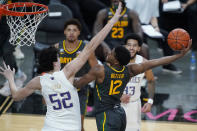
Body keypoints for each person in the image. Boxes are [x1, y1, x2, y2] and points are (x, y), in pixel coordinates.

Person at [0, 3, 122, 131]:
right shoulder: (67, 73)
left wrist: (11, 78)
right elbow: (91, 45)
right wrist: (112, 21)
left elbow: (16, 96)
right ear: (55, 63)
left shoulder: (38, 81)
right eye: (58, 58)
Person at [74, 40, 192, 130]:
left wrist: (63, 75)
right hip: (120, 113)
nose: (108, 53)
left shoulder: (100, 70)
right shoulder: (130, 70)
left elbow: (79, 83)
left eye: (111, 53)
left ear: (115, 61)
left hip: (106, 114)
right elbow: (157, 62)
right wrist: (179, 56)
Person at [54, 18, 98, 131]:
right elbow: (50, 69)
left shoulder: (86, 48)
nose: (71, 32)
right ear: (64, 32)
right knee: (60, 123)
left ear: (79, 32)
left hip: (80, 89)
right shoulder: (57, 47)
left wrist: (85, 80)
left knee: (79, 125)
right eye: (69, 30)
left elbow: (96, 69)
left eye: (74, 30)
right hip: (61, 89)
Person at [126, 0, 182, 74]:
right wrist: (137, 27)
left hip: (147, 26)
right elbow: (128, 15)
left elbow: (153, 16)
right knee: (142, 41)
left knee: (167, 37)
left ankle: (167, 65)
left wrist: (155, 27)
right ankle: (145, 70)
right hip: (133, 26)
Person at [120, 33, 155, 131]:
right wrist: (118, 96)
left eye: (134, 45)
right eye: (129, 45)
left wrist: (150, 102)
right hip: (116, 104)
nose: (131, 48)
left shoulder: (143, 62)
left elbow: (151, 81)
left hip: (134, 105)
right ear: (124, 47)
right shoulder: (116, 62)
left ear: (139, 48)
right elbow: (105, 84)